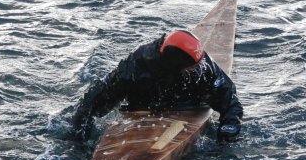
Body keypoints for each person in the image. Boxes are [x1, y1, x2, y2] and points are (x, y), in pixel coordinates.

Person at [70, 30, 243, 141]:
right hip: (142, 110)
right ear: (178, 66)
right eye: (194, 66)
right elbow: (97, 98)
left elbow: (228, 97)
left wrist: (229, 126)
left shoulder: (202, 67)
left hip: (186, 108)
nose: (201, 66)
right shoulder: (135, 67)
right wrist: (78, 133)